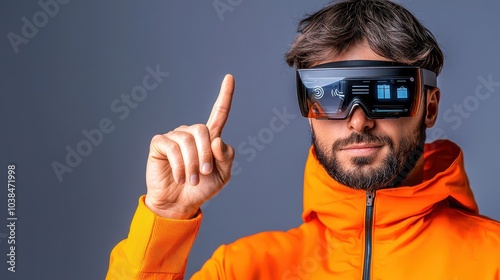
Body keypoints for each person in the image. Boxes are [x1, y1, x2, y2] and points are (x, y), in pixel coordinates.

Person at [106, 0, 500, 279]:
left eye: (385, 93)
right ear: (307, 107)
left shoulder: (492, 261)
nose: (358, 120)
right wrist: (166, 218)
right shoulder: (244, 270)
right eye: (331, 97)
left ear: (428, 106)